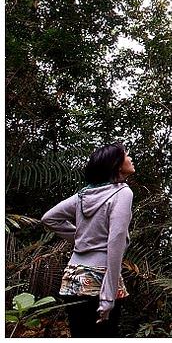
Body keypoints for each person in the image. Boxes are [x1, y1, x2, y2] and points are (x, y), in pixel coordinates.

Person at [42, 142, 135, 337]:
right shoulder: (122, 193)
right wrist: (108, 296)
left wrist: (82, 239)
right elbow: (115, 242)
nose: (131, 158)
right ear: (117, 165)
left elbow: (49, 218)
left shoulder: (83, 195)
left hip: (73, 277)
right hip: (99, 280)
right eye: (126, 155)